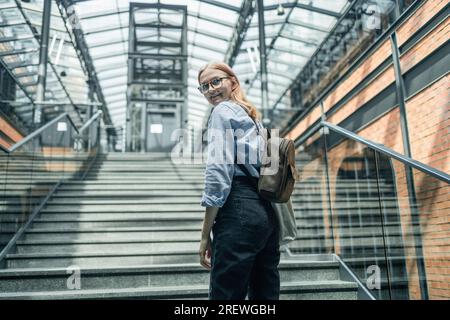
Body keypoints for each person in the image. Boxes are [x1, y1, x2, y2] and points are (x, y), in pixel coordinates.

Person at [198, 62, 280, 300]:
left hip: (238, 208)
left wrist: (205, 235)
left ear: (232, 81)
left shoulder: (222, 111)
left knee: (227, 296)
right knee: (265, 295)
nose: (211, 89)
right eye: (204, 86)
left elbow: (218, 173)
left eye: (216, 81)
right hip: (266, 213)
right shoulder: (252, 117)